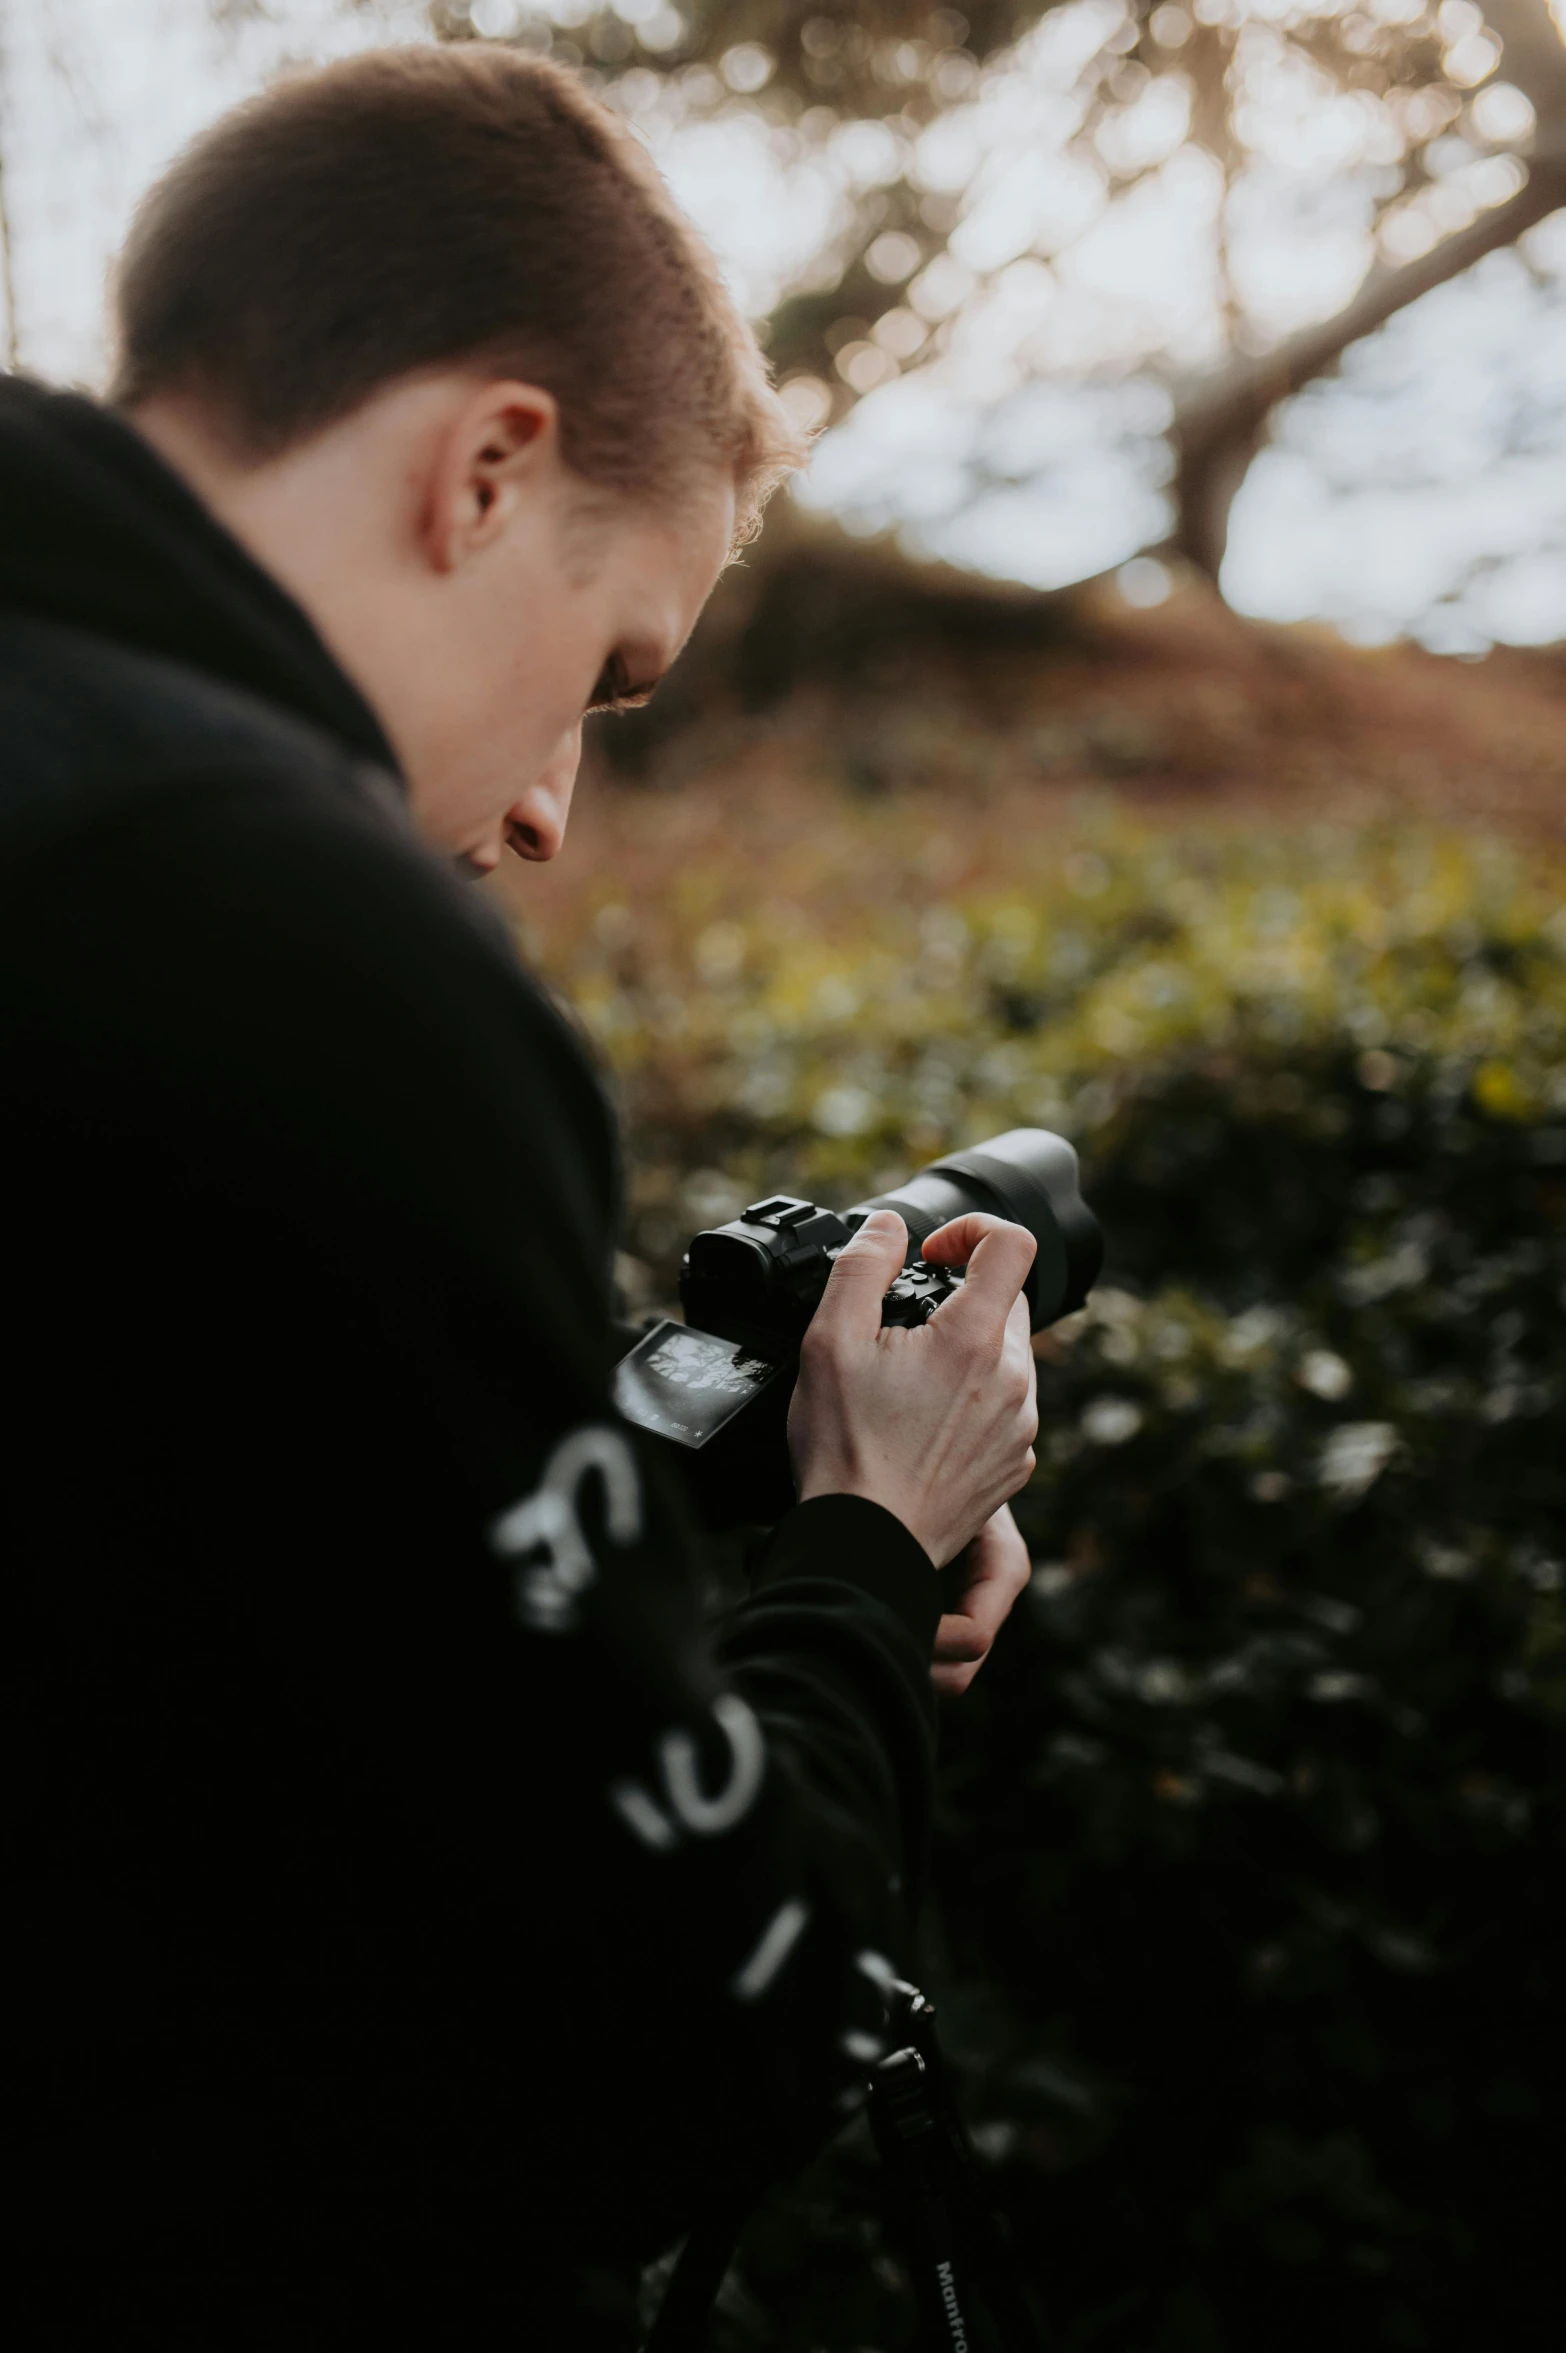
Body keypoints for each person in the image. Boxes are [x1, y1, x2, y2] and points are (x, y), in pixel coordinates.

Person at [1, 44, 1039, 2348]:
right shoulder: (280, 926)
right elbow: (658, 2053)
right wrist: (869, 1550)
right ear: (488, 465)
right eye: (607, 672)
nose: (554, 809)